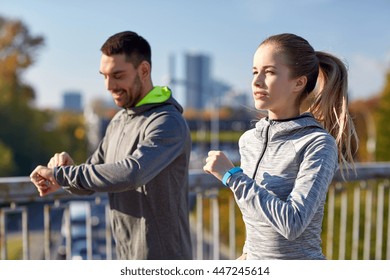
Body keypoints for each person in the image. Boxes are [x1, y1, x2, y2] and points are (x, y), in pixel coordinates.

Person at [30, 31, 193, 260]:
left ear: (144, 70)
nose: (108, 85)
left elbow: (131, 173)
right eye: (104, 75)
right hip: (126, 257)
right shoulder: (118, 121)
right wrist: (63, 172)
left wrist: (65, 175)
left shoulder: (167, 121)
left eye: (117, 75)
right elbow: (92, 178)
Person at [203, 33, 358, 260]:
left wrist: (232, 176)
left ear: (299, 82)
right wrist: (248, 255)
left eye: (270, 72)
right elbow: (256, 215)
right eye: (255, 72)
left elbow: (292, 223)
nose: (257, 81)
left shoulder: (317, 144)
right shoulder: (248, 141)